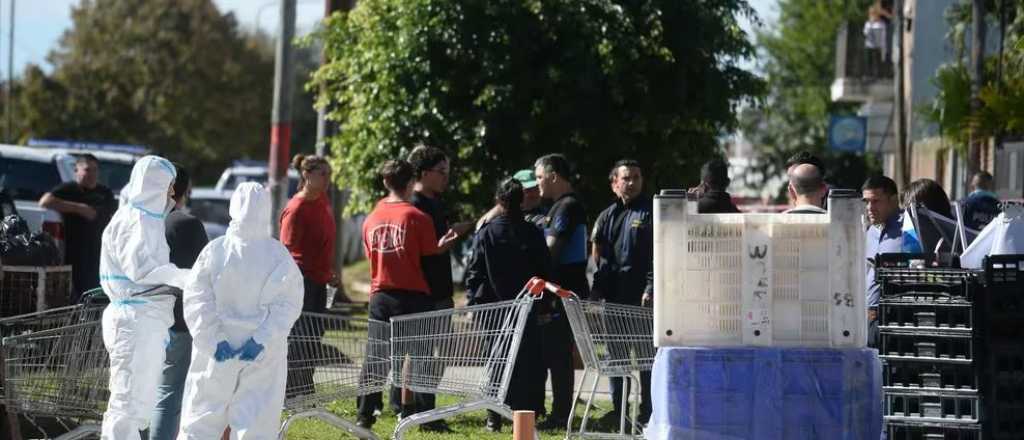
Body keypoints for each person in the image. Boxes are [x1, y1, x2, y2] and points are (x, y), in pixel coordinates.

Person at [176, 182, 303, 439]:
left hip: (216, 350)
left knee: (201, 418)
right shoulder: (278, 255)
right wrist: (261, 339)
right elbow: (287, 305)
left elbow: (197, 299)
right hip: (261, 353)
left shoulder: (216, 250)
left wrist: (214, 340)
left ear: (233, 207)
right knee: (256, 421)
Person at [356, 160, 458, 430]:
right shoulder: (416, 217)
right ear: (411, 182)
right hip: (413, 295)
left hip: (380, 295)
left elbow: (371, 254)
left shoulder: (371, 218)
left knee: (376, 357)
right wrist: (442, 246)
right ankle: (424, 416)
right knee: (421, 357)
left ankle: (365, 413)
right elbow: (427, 253)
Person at [98, 155, 190, 440]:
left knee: (138, 406)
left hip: (145, 320)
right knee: (127, 406)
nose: (172, 193)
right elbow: (143, 270)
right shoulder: (133, 220)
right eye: (168, 185)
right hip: (134, 320)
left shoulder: (146, 221)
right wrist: (187, 277)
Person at [464, 178, 551, 432]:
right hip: (526, 308)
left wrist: (473, 303)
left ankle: (494, 415)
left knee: (496, 360)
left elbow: (474, 273)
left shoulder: (487, 233)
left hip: (494, 309)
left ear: (498, 201)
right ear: (521, 201)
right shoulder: (532, 233)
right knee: (528, 362)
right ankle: (525, 413)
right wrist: (544, 305)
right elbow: (544, 271)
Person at [406, 146, 472, 431]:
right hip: (424, 291)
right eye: (441, 172)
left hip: (442, 290)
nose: (447, 178)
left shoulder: (437, 203)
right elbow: (423, 250)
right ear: (423, 173)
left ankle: (418, 407)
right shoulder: (414, 205)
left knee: (439, 351)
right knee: (421, 354)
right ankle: (419, 411)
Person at [590, 160, 654, 428]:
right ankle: (619, 412)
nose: (632, 182)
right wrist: (596, 291)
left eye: (637, 177)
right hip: (613, 299)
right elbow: (598, 254)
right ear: (615, 183)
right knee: (616, 359)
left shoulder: (650, 212)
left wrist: (651, 287)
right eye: (627, 178)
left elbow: (657, 254)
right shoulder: (607, 215)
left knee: (646, 359)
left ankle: (648, 412)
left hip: (641, 300)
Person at [148, 164, 208, 440]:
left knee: (143, 391)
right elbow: (204, 274)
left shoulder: (140, 221)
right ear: (183, 190)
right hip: (177, 319)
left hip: (140, 318)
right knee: (169, 392)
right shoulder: (187, 225)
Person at [533, 153, 588, 430]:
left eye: (540, 177)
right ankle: (555, 411)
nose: (537, 183)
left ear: (554, 176)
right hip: (556, 293)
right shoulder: (555, 207)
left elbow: (551, 251)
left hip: (565, 294)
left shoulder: (567, 207)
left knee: (559, 357)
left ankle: (560, 415)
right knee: (552, 353)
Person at [280, 154, 338, 396]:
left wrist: (328, 271)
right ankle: (292, 389)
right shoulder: (296, 208)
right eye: (323, 174)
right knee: (301, 336)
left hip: (319, 279)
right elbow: (287, 251)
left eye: (329, 175)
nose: (327, 180)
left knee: (315, 335)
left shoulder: (322, 200)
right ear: (306, 175)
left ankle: (305, 385)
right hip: (301, 280)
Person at [39, 154, 117, 300]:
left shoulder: (105, 192)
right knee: (78, 291)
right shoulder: (69, 189)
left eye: (95, 170)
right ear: (76, 171)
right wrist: (79, 208)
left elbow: (115, 215)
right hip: (76, 251)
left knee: (97, 290)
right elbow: (45, 201)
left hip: (100, 250)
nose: (92, 174)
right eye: (87, 170)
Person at [862, 176, 902, 349]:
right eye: (867, 201)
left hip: (892, 320)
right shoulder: (871, 231)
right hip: (867, 320)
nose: (870, 208)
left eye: (876, 201)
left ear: (893, 200)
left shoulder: (908, 231)